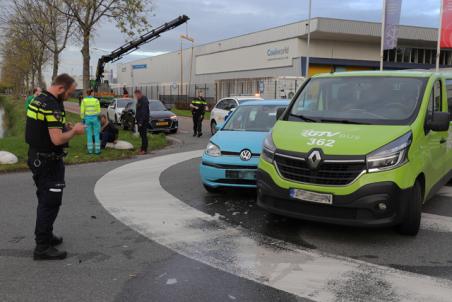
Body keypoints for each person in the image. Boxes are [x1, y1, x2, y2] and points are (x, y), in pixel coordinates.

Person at [25, 74, 85, 260]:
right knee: (50, 203)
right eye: (70, 92)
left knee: (45, 198)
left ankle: (47, 235)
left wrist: (62, 125)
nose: (70, 96)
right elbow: (57, 139)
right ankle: (42, 247)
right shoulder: (52, 105)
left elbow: (41, 126)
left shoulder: (39, 99)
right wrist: (74, 130)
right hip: (48, 161)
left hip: (37, 156)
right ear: (60, 88)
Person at [80, 89, 101, 154]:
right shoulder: (96, 100)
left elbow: (82, 111)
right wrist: (98, 118)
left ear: (87, 93)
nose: (94, 93)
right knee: (96, 134)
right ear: (91, 93)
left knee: (89, 134)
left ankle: (90, 150)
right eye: (93, 92)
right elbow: (98, 111)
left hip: (87, 119)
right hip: (95, 118)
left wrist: (82, 119)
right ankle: (97, 150)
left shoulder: (84, 101)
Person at [134, 89, 150, 155]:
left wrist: (140, 122)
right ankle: (142, 148)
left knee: (144, 136)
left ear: (139, 93)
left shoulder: (144, 101)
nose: (136, 96)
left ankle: (144, 150)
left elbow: (144, 113)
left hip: (143, 122)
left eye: (136, 95)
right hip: (140, 121)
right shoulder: (139, 100)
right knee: (142, 135)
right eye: (135, 95)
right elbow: (138, 111)